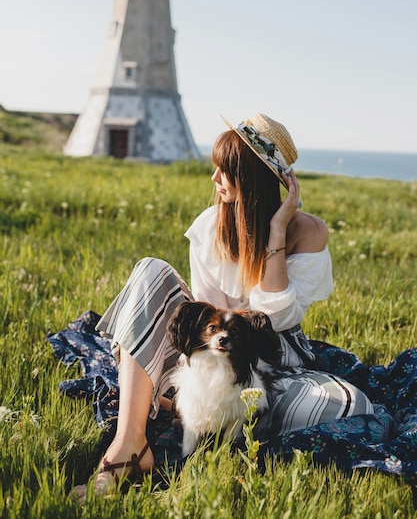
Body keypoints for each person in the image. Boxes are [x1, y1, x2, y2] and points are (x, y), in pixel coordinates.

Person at [73, 113, 373, 502]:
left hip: (273, 356)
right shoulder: (209, 226)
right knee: (151, 269)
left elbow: (279, 319)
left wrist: (276, 233)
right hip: (214, 350)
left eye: (226, 170)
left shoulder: (307, 232)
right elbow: (206, 315)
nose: (214, 179)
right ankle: (129, 444)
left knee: (350, 405)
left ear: (253, 178)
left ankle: (175, 399)